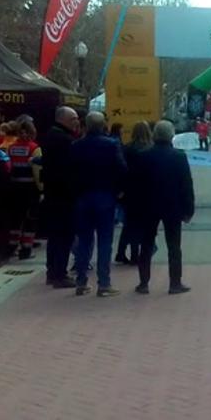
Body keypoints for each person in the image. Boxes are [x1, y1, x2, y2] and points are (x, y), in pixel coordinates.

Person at [70, 112, 127, 297]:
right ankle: (104, 283)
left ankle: (81, 281)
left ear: (85, 126)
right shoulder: (111, 145)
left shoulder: (76, 145)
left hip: (83, 197)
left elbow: (69, 171)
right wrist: (119, 190)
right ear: (104, 126)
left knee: (84, 241)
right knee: (105, 242)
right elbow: (122, 168)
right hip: (105, 196)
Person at [138, 121, 194, 295]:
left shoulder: (143, 155)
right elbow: (186, 185)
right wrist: (188, 210)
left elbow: (136, 185)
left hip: (148, 206)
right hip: (173, 207)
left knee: (146, 245)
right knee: (174, 246)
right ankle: (175, 283)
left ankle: (143, 283)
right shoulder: (179, 156)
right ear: (171, 135)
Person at [40, 107, 80, 289]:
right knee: (64, 235)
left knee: (55, 236)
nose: (76, 122)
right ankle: (59, 273)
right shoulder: (64, 140)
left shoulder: (51, 135)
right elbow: (69, 169)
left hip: (53, 193)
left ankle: (52, 271)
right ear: (62, 119)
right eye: (73, 119)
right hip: (63, 195)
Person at [115, 122, 153, 266]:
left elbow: (122, 169)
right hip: (146, 192)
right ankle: (137, 255)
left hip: (130, 192)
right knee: (143, 225)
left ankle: (121, 251)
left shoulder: (127, 148)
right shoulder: (150, 149)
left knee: (129, 223)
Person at [5, 121, 42, 260]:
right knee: (31, 219)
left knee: (15, 218)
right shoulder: (34, 148)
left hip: (14, 188)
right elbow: (38, 172)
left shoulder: (11, 148)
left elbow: (8, 167)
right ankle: (26, 249)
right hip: (31, 189)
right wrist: (42, 189)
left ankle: (12, 246)